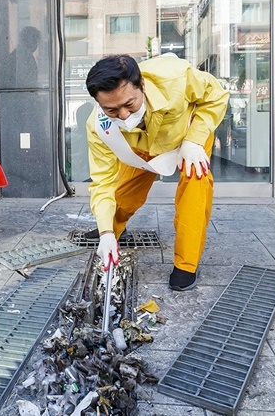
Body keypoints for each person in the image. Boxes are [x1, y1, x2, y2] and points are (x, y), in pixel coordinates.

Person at [84, 54, 229, 291]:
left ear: (142, 85)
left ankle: (186, 264)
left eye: (129, 104)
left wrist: (194, 140)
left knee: (195, 191)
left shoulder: (176, 77)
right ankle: (114, 229)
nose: (123, 116)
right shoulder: (97, 126)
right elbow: (103, 182)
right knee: (126, 191)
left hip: (189, 137)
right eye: (111, 109)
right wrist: (106, 232)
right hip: (141, 146)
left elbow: (216, 95)